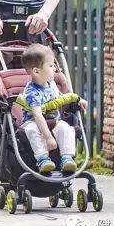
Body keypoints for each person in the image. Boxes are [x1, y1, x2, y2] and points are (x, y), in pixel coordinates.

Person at [19, 44, 87, 173]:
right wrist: (48, 137)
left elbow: (61, 98)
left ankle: (67, 158)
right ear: (37, 71)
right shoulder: (32, 92)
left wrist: (78, 99)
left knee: (66, 128)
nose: (55, 68)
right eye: (50, 65)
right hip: (34, 122)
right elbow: (38, 116)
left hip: (53, 121)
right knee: (32, 131)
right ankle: (43, 159)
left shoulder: (51, 84)